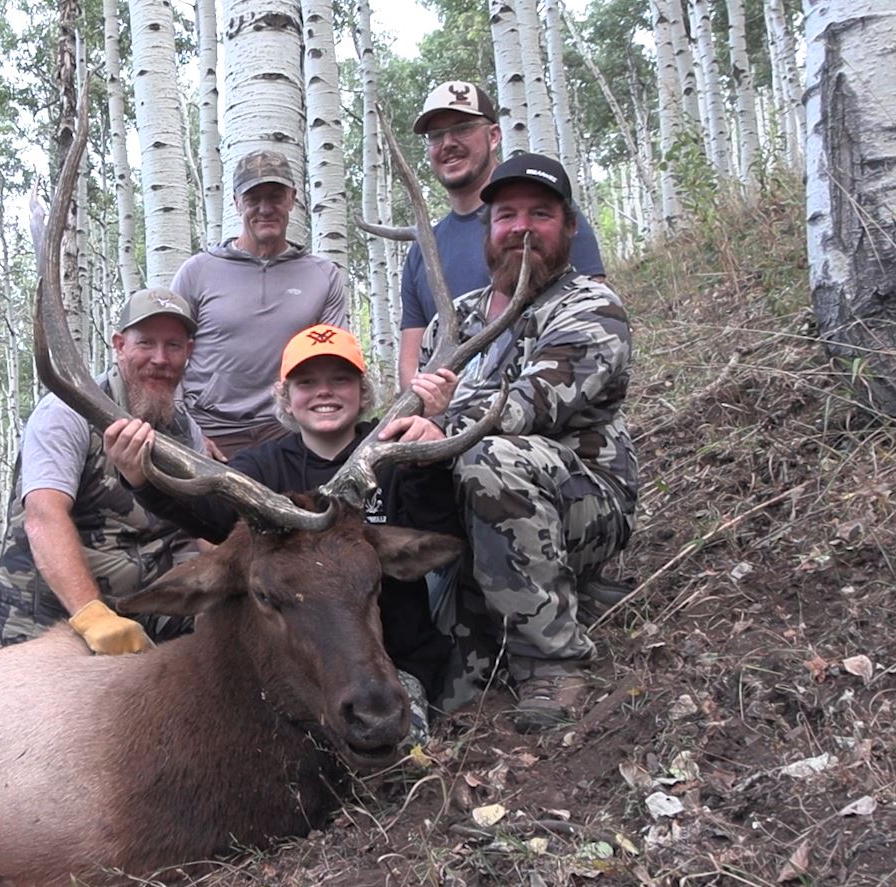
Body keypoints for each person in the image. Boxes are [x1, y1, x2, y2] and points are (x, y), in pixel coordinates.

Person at [105, 324, 461, 743]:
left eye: (340, 380)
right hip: (299, 673)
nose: (324, 392)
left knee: (397, 761)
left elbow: (437, 533)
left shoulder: (394, 449)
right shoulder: (262, 470)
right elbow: (211, 516)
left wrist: (428, 460)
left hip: (394, 664)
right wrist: (141, 478)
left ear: (362, 392)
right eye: (306, 383)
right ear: (286, 398)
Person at [381, 154, 637, 734]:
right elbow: (417, 405)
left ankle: (554, 660)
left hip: (579, 502)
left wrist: (442, 426)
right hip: (472, 513)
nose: (521, 227)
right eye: (507, 215)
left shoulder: (591, 309)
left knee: (489, 457)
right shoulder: (461, 319)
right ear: (488, 229)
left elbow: (531, 404)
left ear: (569, 228)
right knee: (455, 698)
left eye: (540, 214)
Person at [0, 288, 207, 654]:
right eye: (146, 343)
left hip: (145, 605)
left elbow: (202, 527)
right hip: (56, 609)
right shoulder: (65, 412)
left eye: (173, 346)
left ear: (189, 352)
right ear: (119, 345)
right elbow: (43, 516)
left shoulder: (187, 430)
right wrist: (93, 616)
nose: (160, 358)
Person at [398, 81, 606, 394]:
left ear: (494, 135)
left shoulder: (548, 226)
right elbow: (411, 366)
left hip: (540, 425)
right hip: (443, 429)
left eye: (463, 128)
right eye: (436, 135)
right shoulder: (422, 252)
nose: (448, 143)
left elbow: (592, 323)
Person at [171, 148, 348, 458]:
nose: (265, 209)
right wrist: (189, 432)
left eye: (275, 197)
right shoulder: (198, 271)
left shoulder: (323, 276)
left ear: (293, 198)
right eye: (253, 198)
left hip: (288, 431)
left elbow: (332, 362)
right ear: (237, 202)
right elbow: (169, 357)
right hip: (210, 430)